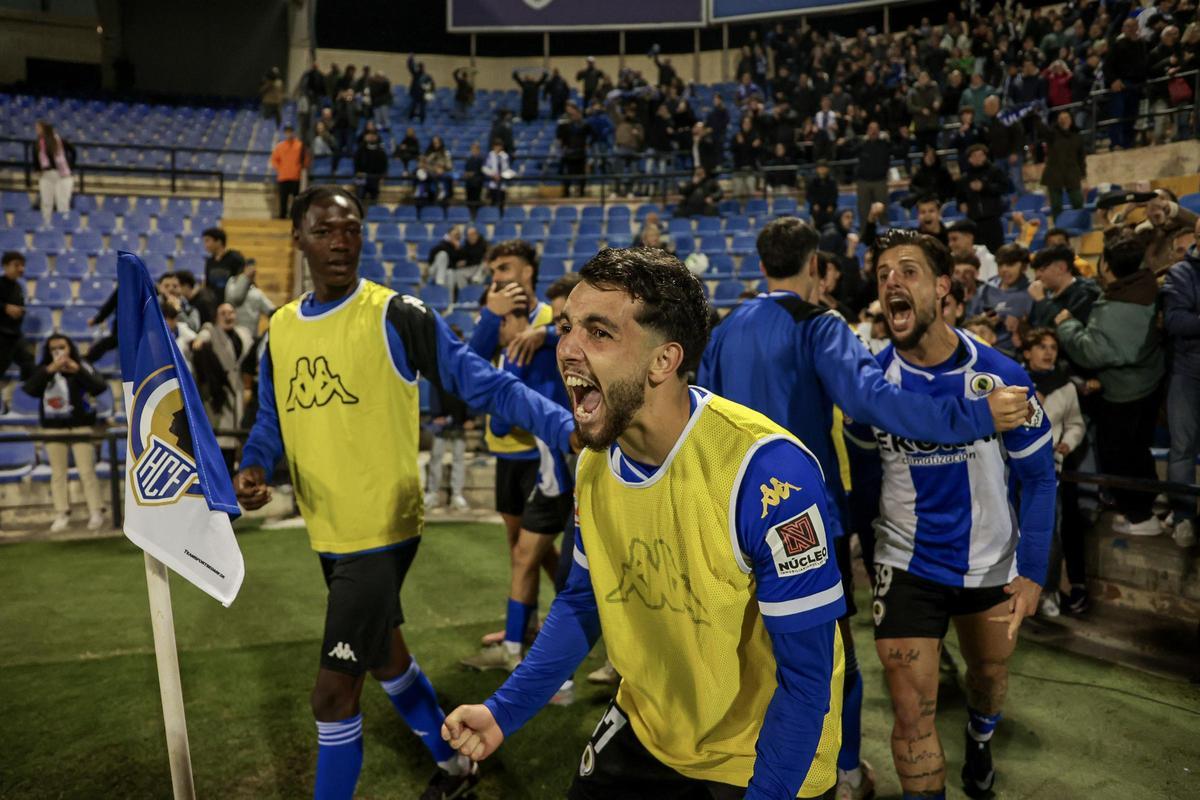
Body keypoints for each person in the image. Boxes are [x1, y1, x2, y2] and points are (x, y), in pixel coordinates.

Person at [443, 246, 847, 799]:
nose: (567, 349)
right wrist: (503, 711)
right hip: (647, 729)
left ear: (663, 361)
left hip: (757, 757)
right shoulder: (595, 462)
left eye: (598, 332)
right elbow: (584, 601)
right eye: (566, 327)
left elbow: (806, 681)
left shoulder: (767, 476)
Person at [234, 186, 576, 800]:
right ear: (298, 238)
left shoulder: (397, 314)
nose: (340, 242)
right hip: (328, 531)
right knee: (386, 657)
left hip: (382, 530)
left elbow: (483, 383)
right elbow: (269, 419)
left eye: (351, 228)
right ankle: (456, 767)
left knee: (332, 696)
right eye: (324, 230)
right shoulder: (279, 330)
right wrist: (255, 465)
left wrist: (563, 425)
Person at [697, 218, 1031, 800]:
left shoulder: (725, 331)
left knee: (752, 656)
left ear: (762, 265)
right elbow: (872, 401)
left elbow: (702, 423)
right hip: (804, 522)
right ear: (816, 266)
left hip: (731, 520)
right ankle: (844, 773)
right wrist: (976, 416)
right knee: (829, 660)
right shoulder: (819, 324)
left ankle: (747, 771)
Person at [846, 228, 1055, 800]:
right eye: (883, 273)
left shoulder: (1004, 376)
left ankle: (980, 738)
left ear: (942, 287)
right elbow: (865, 485)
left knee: (987, 676)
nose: (891, 280)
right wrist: (865, 555)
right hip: (905, 563)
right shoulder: (868, 389)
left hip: (991, 562)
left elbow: (1039, 478)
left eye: (907, 270)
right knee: (911, 713)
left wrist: (1033, 572)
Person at [461, 241, 573, 672]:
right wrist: (493, 319)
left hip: (545, 456)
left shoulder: (548, 317)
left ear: (528, 271)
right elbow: (469, 365)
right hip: (510, 454)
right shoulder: (496, 315)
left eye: (505, 268)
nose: (497, 278)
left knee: (538, 551)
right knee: (522, 549)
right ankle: (527, 627)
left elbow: (581, 332)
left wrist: (545, 334)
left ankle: (552, 626)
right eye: (493, 271)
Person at [1055, 230, 1165, 537]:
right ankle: (1148, 502)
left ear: (1107, 265)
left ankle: (1139, 516)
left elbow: (1092, 352)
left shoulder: (1117, 307)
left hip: (1124, 394)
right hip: (1149, 382)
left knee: (1121, 455)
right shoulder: (1146, 285)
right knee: (1139, 450)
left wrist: (1067, 326)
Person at [1021, 328, 1087, 616]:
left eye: (1053, 347)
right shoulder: (1012, 380)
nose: (1048, 352)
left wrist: (1068, 443)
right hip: (1011, 466)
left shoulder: (1066, 386)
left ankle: (1047, 592)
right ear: (1027, 352)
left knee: (1047, 532)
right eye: (1041, 347)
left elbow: (1076, 423)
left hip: (1048, 468)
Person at [23, 334, 107, 532]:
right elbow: (30, 389)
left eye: (62, 347)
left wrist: (78, 371)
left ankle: (96, 511)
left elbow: (100, 386)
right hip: (53, 427)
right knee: (58, 473)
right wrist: (49, 371)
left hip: (80, 425)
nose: (58, 351)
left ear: (70, 348)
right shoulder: (43, 368)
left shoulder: (82, 365)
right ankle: (62, 513)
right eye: (53, 349)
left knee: (87, 470)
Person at [1162, 218, 1200, 548]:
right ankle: (1184, 516)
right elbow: (1175, 320)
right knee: (1183, 448)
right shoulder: (1181, 273)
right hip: (1189, 371)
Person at [191, 303, 253, 474]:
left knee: (235, 440)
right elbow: (204, 333)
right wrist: (199, 340)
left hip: (237, 391)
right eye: (223, 313)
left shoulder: (243, 334)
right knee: (221, 442)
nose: (228, 316)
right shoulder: (212, 332)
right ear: (217, 317)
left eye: (231, 312)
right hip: (219, 395)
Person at [971, 243, 1034, 356]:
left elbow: (1040, 332)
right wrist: (984, 320)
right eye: (1000, 264)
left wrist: (1021, 326)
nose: (1004, 269)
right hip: (982, 351)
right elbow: (968, 322)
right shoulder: (985, 289)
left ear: (1024, 267)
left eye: (1010, 264)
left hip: (1016, 354)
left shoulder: (1032, 293)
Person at [1027, 245, 1100, 328]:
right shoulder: (1045, 293)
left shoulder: (1085, 294)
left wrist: (1041, 300)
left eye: (1042, 270)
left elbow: (1063, 328)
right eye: (1035, 271)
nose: (1037, 276)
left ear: (1061, 268)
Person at [956, 144, 1009, 255]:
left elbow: (1005, 187)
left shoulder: (994, 171)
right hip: (974, 221)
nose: (978, 158)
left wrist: (984, 187)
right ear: (969, 159)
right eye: (974, 156)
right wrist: (961, 203)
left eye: (980, 155)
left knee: (997, 252)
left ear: (985, 156)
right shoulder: (965, 177)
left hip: (993, 219)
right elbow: (960, 195)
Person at [1039, 110, 1087, 221]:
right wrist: (1036, 116)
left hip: (1072, 173)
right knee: (1056, 205)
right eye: (1061, 118)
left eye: (1066, 118)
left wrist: (1083, 173)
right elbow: (1042, 130)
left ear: (1071, 120)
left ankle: (1080, 222)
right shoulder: (1052, 134)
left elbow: (1081, 158)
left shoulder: (1077, 137)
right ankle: (1058, 225)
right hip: (1054, 174)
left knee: (1077, 201)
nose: (1063, 120)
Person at [0, 252, 35, 392]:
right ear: (5, 266)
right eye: (16, 265)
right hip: (1, 336)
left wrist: (20, 311)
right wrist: (5, 308)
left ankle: (26, 394)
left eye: (22, 265)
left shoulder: (18, 287)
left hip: (14, 335)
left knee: (28, 362)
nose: (21, 269)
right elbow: (6, 307)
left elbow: (19, 307)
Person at [33, 121, 74, 226]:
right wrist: (38, 170)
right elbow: (36, 159)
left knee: (62, 203)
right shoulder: (38, 142)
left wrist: (70, 166)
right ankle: (46, 225)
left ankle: (63, 226)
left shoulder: (58, 140)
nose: (36, 130)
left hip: (61, 175)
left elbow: (73, 151)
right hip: (46, 175)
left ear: (45, 128)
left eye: (38, 128)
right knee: (46, 202)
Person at [224, 259, 275, 335]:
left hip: (251, 336)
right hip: (233, 336)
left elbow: (271, 311)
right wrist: (245, 277)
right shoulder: (232, 283)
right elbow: (234, 299)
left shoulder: (257, 292)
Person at [270, 125, 309, 221]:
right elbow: (274, 160)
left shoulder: (300, 146)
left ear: (294, 133)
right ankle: (282, 216)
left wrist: (299, 168)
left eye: (290, 132)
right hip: (283, 177)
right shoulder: (280, 146)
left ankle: (294, 217)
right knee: (283, 199)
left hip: (295, 177)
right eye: (287, 132)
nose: (289, 134)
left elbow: (306, 159)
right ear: (285, 133)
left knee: (296, 199)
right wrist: (280, 169)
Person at [556, 103, 592, 198]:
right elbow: (560, 139)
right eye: (573, 115)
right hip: (569, 153)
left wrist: (588, 145)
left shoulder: (585, 126)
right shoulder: (565, 126)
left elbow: (592, 137)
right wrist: (562, 149)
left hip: (581, 153)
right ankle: (566, 193)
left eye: (577, 114)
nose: (575, 116)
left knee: (582, 175)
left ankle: (581, 193)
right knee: (567, 175)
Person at [201, 227, 246, 299]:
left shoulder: (235, 258)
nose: (205, 245)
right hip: (215, 302)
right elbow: (207, 285)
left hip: (232, 301)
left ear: (218, 241)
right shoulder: (209, 262)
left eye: (207, 241)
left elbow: (242, 281)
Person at [353, 128, 389, 204]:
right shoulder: (360, 150)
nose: (371, 137)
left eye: (373, 135)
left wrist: (382, 176)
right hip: (361, 177)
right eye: (369, 135)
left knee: (374, 199)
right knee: (359, 197)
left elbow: (384, 165)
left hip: (375, 178)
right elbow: (356, 163)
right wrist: (357, 172)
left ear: (376, 137)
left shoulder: (381, 151)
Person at [807, 160, 839, 231]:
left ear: (827, 169)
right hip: (816, 209)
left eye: (824, 167)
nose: (822, 170)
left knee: (831, 223)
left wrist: (831, 204)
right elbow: (809, 195)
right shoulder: (812, 181)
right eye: (820, 168)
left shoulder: (832, 181)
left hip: (829, 209)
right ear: (817, 169)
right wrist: (814, 203)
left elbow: (834, 194)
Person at [481, 138, 511, 212]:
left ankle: (501, 215)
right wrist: (493, 174)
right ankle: (493, 215)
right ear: (493, 147)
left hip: (502, 183)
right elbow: (484, 168)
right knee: (493, 202)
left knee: (501, 203)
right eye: (496, 146)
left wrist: (502, 175)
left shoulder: (505, 156)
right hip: (492, 182)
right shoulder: (490, 155)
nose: (498, 148)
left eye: (499, 146)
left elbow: (507, 168)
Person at [407, 54, 434, 123]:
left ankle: (422, 122)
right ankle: (410, 121)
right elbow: (410, 67)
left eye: (421, 67)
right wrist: (410, 59)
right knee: (412, 108)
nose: (420, 68)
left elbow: (431, 87)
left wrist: (429, 95)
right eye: (419, 67)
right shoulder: (416, 74)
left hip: (423, 96)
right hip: (415, 95)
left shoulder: (427, 76)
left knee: (422, 110)